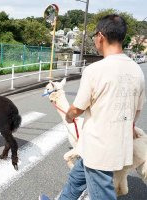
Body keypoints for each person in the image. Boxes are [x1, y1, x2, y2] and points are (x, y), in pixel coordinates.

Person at [40, 14, 146, 200]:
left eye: (94, 36)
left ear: (101, 36)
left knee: (101, 195)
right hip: (118, 147)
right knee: (76, 179)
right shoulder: (137, 70)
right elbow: (137, 111)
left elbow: (77, 108)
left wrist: (69, 116)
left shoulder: (94, 70)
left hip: (98, 151)